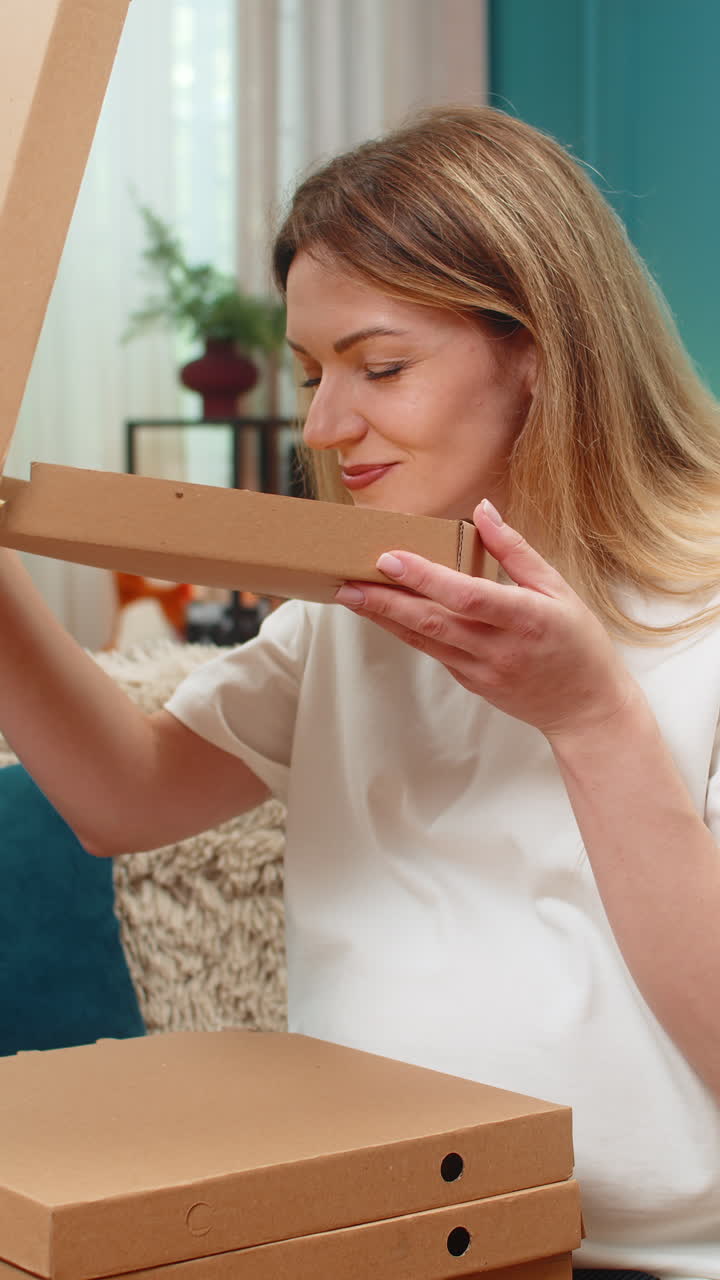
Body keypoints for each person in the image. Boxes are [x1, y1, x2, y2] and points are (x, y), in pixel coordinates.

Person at [2, 105, 719, 1277]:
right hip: (375, 1235)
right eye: (311, 372)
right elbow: (122, 797)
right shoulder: (359, 603)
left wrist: (588, 716)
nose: (326, 426)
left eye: (379, 366)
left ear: (541, 348)